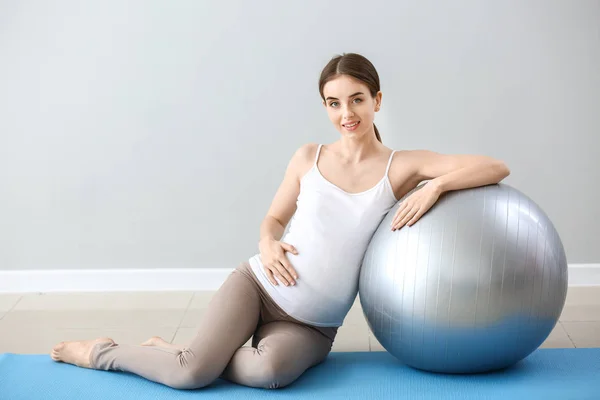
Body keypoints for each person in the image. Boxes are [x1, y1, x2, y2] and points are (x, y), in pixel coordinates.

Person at [50, 53, 510, 390]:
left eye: (356, 100)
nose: (346, 114)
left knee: (268, 374)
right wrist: (268, 243)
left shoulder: (404, 165)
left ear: (377, 100)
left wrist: (435, 186)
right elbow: (273, 218)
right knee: (191, 375)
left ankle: (171, 349)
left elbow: (495, 167)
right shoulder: (308, 157)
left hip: (312, 325)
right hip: (258, 287)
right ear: (324, 107)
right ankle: (98, 353)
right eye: (333, 103)